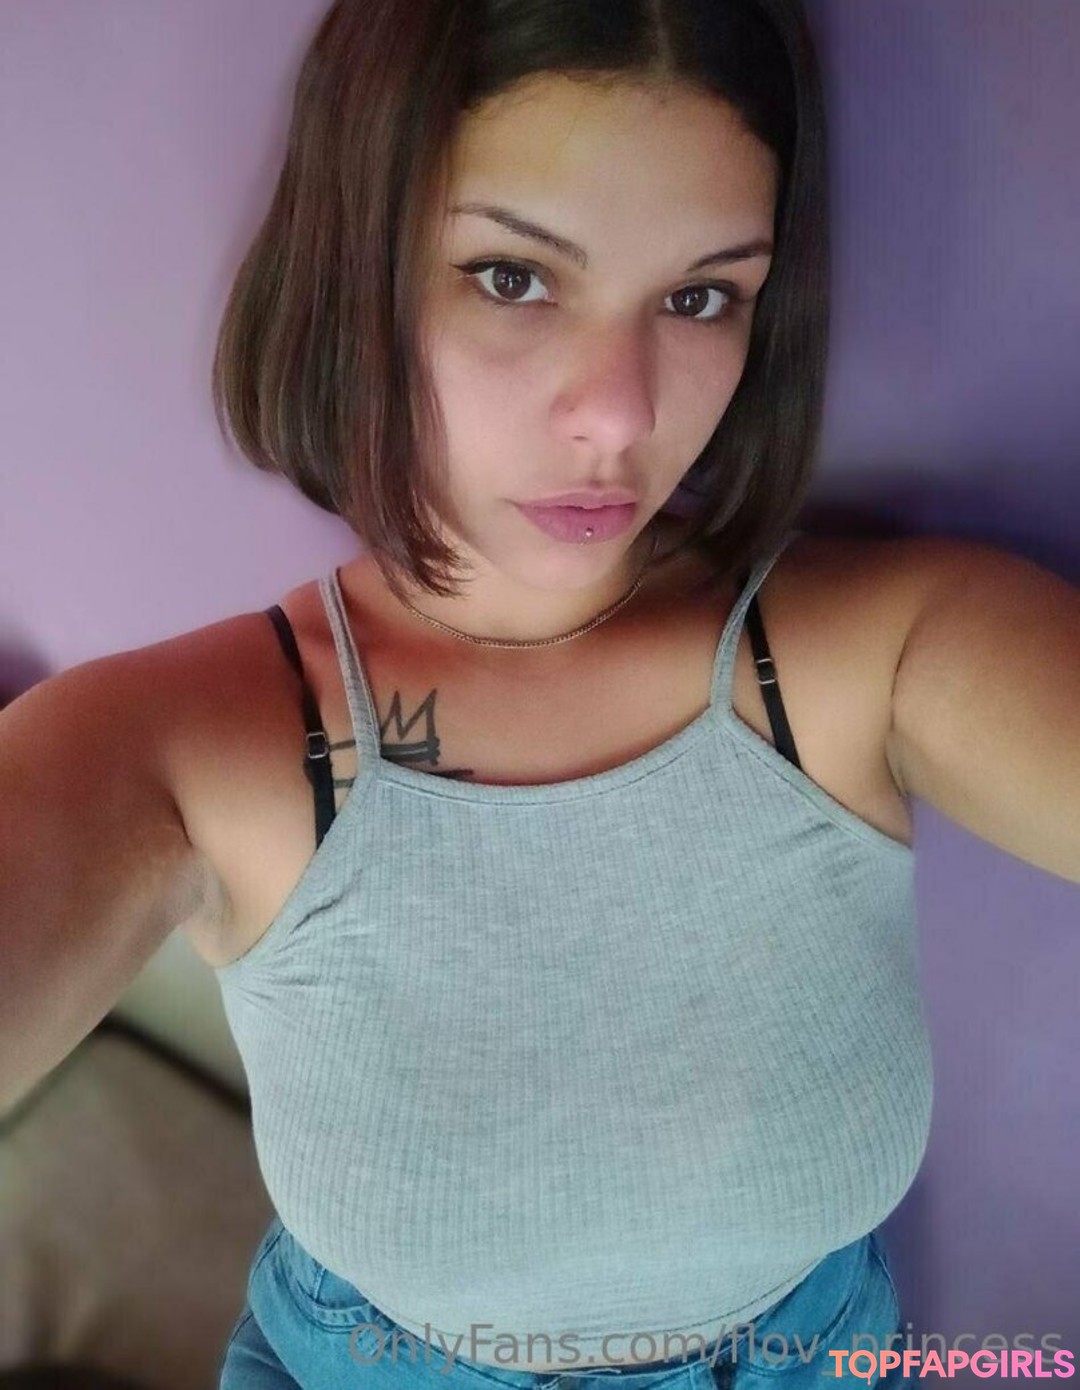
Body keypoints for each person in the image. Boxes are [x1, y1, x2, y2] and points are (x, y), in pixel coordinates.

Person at [1, 0, 1077, 1387]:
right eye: (512, 276)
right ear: (359, 267)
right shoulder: (184, 745)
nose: (620, 413)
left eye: (700, 296)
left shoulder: (885, 651)